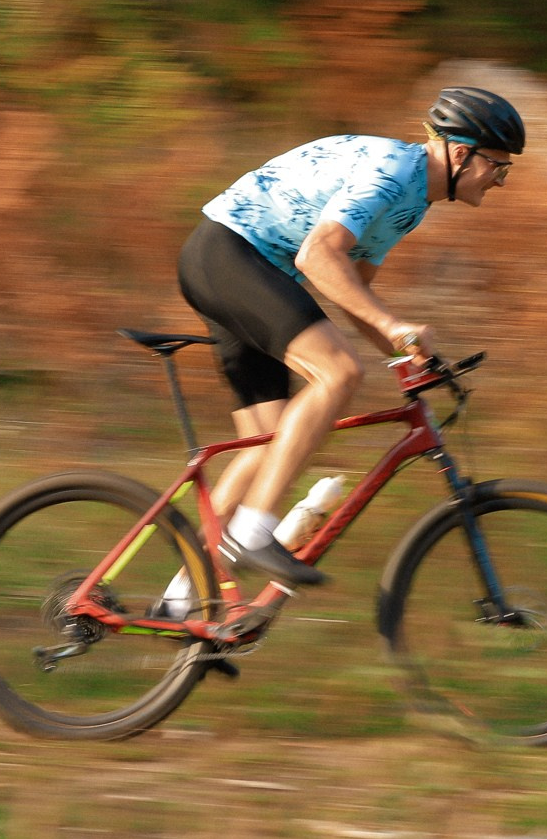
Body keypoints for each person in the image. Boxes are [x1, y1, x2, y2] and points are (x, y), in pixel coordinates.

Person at [165, 86, 524, 599]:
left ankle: (182, 602)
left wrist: (409, 356)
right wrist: (397, 327)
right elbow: (318, 257)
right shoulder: (394, 172)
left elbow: (355, 290)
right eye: (499, 166)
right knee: (339, 372)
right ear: (461, 153)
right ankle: (252, 534)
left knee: (269, 442)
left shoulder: (413, 202)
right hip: (231, 256)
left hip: (241, 266)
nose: (501, 180)